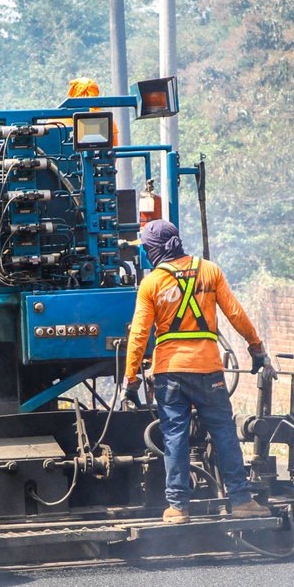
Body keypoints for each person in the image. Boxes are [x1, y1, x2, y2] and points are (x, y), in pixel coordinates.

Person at [122, 219, 273, 522]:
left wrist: (131, 379)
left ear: (153, 251)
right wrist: (256, 348)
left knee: (175, 436)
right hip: (208, 369)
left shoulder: (151, 284)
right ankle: (241, 500)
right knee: (223, 432)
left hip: (170, 372)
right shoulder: (209, 270)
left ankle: (178, 507)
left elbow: (139, 334)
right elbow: (235, 313)